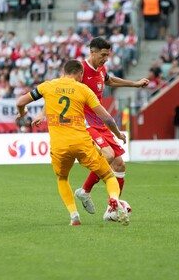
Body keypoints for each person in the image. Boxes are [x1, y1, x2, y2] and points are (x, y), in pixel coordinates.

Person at [34, 37, 148, 220]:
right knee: (108, 155)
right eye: (103, 55)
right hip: (85, 123)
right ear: (92, 52)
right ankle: (87, 192)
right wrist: (42, 113)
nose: (106, 59)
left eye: (108, 55)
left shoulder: (101, 69)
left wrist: (134, 84)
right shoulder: (79, 71)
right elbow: (56, 92)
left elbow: (110, 80)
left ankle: (107, 207)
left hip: (100, 123)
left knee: (119, 163)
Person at [16, 59, 130, 226]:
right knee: (108, 176)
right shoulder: (83, 89)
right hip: (81, 142)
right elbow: (106, 117)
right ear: (80, 74)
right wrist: (118, 133)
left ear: (63, 71)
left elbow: (20, 102)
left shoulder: (47, 86)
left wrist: (23, 112)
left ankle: (74, 216)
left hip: (59, 145)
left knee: (62, 179)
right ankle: (114, 200)